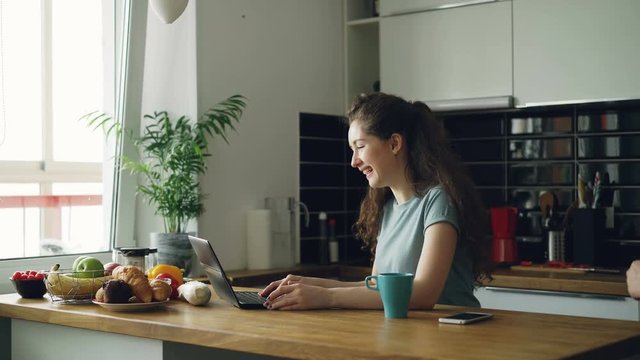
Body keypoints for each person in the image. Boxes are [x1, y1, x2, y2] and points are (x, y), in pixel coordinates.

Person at [259, 92, 492, 310]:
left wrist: (327, 296)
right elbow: (378, 289)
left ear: (394, 144)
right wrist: (314, 285)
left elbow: (423, 294)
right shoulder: (388, 208)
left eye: (360, 147)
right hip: (409, 334)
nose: (354, 161)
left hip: (453, 336)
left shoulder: (438, 201)